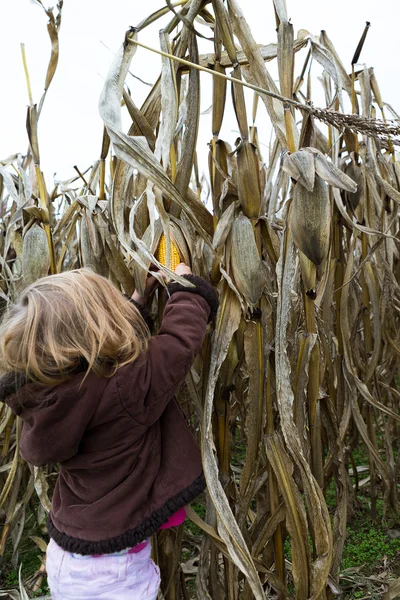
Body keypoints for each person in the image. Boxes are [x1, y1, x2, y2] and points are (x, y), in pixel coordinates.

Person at [0, 264, 218, 600]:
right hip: (115, 576)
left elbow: (105, 352)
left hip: (69, 559)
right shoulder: (126, 386)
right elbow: (178, 345)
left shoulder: (48, 393)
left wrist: (139, 299)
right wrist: (186, 290)